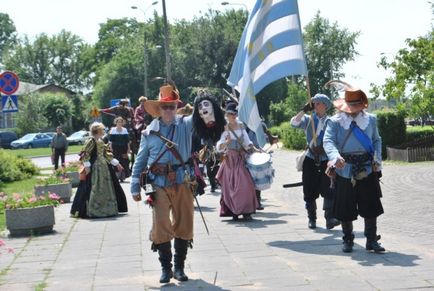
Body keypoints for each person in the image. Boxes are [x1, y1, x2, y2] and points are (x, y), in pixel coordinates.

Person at [130, 83, 196, 284]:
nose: (168, 110)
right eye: (165, 107)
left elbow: (202, 116)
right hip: (157, 183)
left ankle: (179, 267)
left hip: (182, 180)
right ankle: (166, 268)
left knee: (185, 222)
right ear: (158, 109)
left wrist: (204, 100)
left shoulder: (186, 124)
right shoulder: (148, 133)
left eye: (172, 106)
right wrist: (134, 185)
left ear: (177, 107)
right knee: (161, 223)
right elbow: (140, 161)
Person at [323, 81, 385, 253]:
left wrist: (377, 159)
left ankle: (371, 240)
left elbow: (377, 140)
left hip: (367, 168)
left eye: (356, 106)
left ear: (361, 105)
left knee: (370, 205)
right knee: (345, 207)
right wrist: (335, 157)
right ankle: (348, 240)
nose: (353, 110)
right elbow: (328, 141)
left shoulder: (370, 120)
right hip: (345, 169)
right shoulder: (334, 122)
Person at [290, 94, 340, 230]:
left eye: (318, 103)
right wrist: (303, 110)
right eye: (314, 103)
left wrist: (325, 149)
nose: (315, 105)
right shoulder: (308, 119)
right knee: (309, 189)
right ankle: (312, 218)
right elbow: (293, 123)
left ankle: (329, 218)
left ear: (325, 106)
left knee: (329, 188)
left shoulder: (331, 122)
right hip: (310, 158)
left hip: (326, 160)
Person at [70, 122, 128, 218]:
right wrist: (87, 166)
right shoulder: (91, 141)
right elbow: (85, 153)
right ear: (97, 131)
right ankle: (95, 210)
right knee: (94, 188)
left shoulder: (101, 140)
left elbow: (106, 154)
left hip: (104, 167)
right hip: (95, 167)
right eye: (102, 130)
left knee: (107, 188)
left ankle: (107, 209)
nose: (103, 131)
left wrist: (117, 163)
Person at [216, 102, 258, 221]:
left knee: (247, 184)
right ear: (227, 115)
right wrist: (226, 143)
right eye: (231, 113)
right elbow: (219, 146)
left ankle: (246, 210)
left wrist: (253, 147)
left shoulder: (241, 126)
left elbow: (247, 140)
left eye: (235, 113)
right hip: (230, 160)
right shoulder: (224, 127)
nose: (233, 115)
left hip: (240, 158)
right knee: (230, 186)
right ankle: (234, 211)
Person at [192, 90, 226, 193]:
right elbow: (196, 138)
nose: (203, 108)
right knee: (209, 165)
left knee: (216, 166)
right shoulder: (196, 126)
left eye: (206, 104)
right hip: (207, 149)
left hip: (221, 149)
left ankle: (217, 182)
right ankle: (212, 184)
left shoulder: (223, 123)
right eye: (200, 107)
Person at [108, 117, 131, 181]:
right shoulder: (113, 130)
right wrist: (111, 147)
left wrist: (128, 149)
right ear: (116, 122)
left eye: (121, 122)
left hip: (123, 148)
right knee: (116, 161)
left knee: (124, 161)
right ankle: (116, 176)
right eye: (118, 122)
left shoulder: (124, 130)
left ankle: (122, 177)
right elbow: (110, 141)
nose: (120, 123)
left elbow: (127, 141)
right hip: (115, 148)